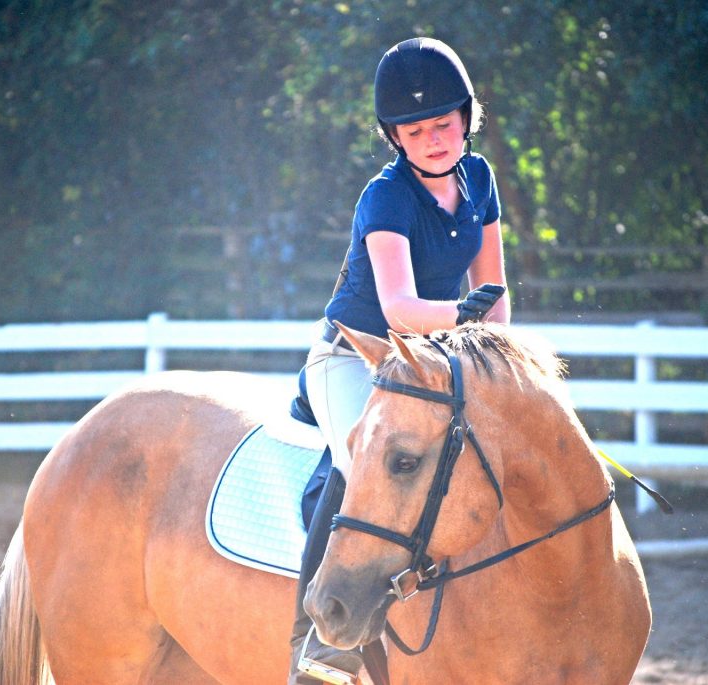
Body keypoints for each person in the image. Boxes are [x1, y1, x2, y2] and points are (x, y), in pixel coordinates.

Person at [287, 37, 511, 685]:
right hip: (355, 353)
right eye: (416, 130)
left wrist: (499, 366)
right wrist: (469, 319)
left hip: (430, 351)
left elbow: (493, 289)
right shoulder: (384, 198)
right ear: (396, 137)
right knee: (367, 462)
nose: (434, 138)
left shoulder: (482, 179)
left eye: (443, 123)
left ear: (466, 118)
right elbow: (399, 306)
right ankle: (323, 646)